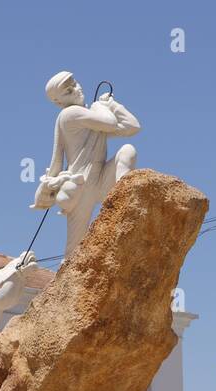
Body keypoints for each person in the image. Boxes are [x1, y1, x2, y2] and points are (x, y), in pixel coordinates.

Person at [32, 71, 141, 255]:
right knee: (74, 249)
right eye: (68, 91)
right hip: (80, 187)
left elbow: (133, 126)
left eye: (74, 83)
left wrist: (113, 104)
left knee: (128, 150)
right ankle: (66, 281)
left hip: (100, 179)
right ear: (59, 103)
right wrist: (101, 105)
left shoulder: (92, 119)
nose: (76, 89)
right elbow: (109, 121)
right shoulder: (70, 114)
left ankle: (124, 199)